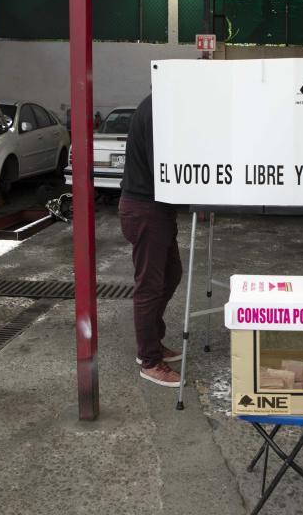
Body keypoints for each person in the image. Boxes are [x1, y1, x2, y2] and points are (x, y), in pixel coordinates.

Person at [118, 94, 183, 387]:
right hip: (145, 208)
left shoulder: (157, 104)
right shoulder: (156, 110)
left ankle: (152, 342)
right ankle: (149, 361)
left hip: (156, 207)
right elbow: (165, 166)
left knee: (171, 274)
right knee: (150, 286)